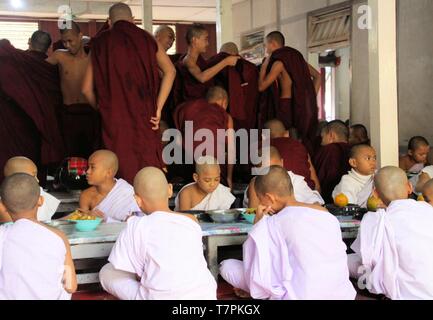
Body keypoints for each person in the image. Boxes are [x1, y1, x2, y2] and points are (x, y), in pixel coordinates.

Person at [220, 166, 356, 300]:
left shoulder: (273, 223)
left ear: (269, 198)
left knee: (227, 266)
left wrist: (258, 225)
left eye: (261, 200)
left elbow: (259, 267)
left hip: (299, 296)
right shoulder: (328, 217)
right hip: (342, 294)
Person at [82, 3, 176, 183]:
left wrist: (103, 109)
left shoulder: (100, 42)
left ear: (109, 22)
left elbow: (85, 89)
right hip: (145, 118)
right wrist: (157, 109)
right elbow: (170, 71)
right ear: (133, 21)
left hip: (114, 120)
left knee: (117, 171)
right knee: (145, 171)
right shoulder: (147, 39)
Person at [99, 167, 217, 300]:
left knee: (107, 272)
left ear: (137, 200)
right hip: (205, 295)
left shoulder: (136, 225)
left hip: (158, 297)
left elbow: (137, 274)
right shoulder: (191, 221)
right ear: (170, 190)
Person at [347, 167, 433, 300]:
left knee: (348, 262)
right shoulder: (428, 210)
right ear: (409, 187)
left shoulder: (377, 221)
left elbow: (367, 261)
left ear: (375, 194)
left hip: (405, 295)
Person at [0, 173, 77, 299]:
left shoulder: (3, 234)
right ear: (41, 201)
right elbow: (71, 286)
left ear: (2, 206)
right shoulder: (59, 236)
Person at [0, 33, 64, 183]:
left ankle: (7, 185)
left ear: (29, 42)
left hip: (13, 118)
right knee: (35, 153)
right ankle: (35, 185)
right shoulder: (51, 68)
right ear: (49, 48)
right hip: (39, 123)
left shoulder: (15, 61)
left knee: (10, 153)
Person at [258, 31, 320, 153]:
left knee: (283, 140)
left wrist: (264, 67)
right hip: (300, 105)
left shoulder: (279, 62)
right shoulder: (297, 58)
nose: (265, 49)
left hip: (285, 104)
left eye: (266, 46)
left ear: (273, 43)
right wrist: (310, 98)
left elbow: (261, 86)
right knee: (298, 139)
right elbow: (318, 76)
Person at [46, 21, 100, 159]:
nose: (68, 45)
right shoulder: (59, 56)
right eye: (64, 42)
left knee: (91, 154)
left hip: (89, 112)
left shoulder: (93, 57)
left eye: (70, 41)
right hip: (68, 114)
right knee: (69, 155)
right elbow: (37, 71)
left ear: (80, 36)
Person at [174, 86, 235, 188]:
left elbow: (177, 142)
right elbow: (231, 150)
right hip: (215, 169)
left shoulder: (188, 108)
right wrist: (228, 178)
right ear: (224, 102)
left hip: (192, 166)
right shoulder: (226, 116)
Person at [174, 24, 239, 105]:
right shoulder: (188, 60)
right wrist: (226, 62)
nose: (207, 43)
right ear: (194, 40)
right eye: (205, 39)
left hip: (203, 102)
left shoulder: (199, 59)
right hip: (193, 105)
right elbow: (202, 77)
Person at [244, 147, 324, 208]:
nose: (273, 174)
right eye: (266, 171)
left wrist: (289, 207)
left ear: (282, 163)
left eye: (275, 167)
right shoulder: (255, 184)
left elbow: (316, 205)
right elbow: (254, 215)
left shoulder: (295, 180)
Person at [206, 42, 260, 130]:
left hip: (217, 115)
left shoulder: (213, 63)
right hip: (246, 116)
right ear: (237, 53)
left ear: (220, 52)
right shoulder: (250, 68)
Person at [78, 150, 141, 223]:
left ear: (108, 173)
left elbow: (135, 224)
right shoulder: (86, 195)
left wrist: (105, 219)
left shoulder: (128, 192)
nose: (87, 171)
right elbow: (82, 223)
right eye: (88, 167)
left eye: (92, 167)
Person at [264, 119, 320, 191]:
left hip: (273, 198)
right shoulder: (299, 147)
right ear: (287, 134)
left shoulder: (260, 149)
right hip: (305, 196)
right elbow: (317, 186)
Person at [1, 157, 60, 222]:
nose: (38, 180)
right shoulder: (3, 205)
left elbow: (46, 224)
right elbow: (18, 227)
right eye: (33, 176)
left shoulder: (38, 194)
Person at [314, 120, 351, 203]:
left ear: (331, 135)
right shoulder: (355, 150)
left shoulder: (329, 150)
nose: (321, 142)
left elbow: (319, 178)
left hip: (330, 200)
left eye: (322, 137)